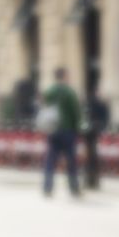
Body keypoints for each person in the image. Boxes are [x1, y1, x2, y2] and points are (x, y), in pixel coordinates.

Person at [42, 67, 82, 197]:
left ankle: (48, 187)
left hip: (53, 129)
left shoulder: (49, 91)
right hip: (67, 129)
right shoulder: (69, 92)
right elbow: (75, 112)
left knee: (50, 160)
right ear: (64, 76)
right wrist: (78, 127)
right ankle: (73, 187)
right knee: (71, 160)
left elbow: (44, 106)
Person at [83, 89, 109, 189]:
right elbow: (105, 119)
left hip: (89, 134)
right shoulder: (100, 105)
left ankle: (90, 180)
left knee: (90, 157)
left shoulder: (87, 105)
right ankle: (93, 180)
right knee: (93, 158)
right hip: (94, 134)